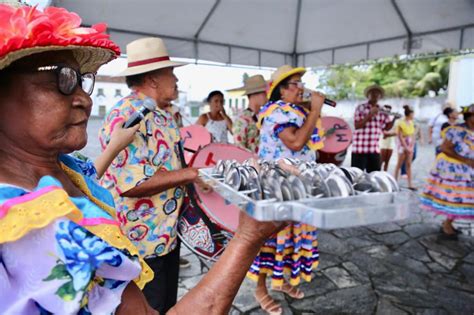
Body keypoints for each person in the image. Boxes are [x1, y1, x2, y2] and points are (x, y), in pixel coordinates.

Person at [0, 4, 284, 314]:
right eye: (63, 80)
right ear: (151, 78)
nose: (84, 98)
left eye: (82, 81)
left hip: (166, 231)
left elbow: (101, 176)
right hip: (145, 237)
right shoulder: (127, 116)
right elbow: (131, 182)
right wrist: (241, 230)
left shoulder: (159, 117)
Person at [250, 65, 324, 315]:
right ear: (281, 91)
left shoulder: (294, 110)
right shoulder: (277, 112)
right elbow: (295, 141)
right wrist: (315, 110)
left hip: (295, 186)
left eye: (301, 83)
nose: (300, 88)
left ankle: (281, 282)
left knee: (291, 237)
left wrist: (310, 111)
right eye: (294, 84)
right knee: (269, 238)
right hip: (276, 188)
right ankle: (260, 289)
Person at [420, 104, 474, 240]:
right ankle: (447, 224)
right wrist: (464, 160)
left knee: (462, 199)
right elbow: (444, 148)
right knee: (455, 198)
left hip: (467, 171)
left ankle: (448, 223)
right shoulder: (457, 130)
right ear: (469, 117)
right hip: (454, 170)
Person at [352, 85, 395, 172]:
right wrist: (370, 115)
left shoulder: (382, 110)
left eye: (377, 93)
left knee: (374, 177)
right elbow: (357, 126)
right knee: (356, 177)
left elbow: (386, 127)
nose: (375, 94)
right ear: (368, 95)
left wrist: (394, 119)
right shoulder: (360, 108)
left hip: (374, 149)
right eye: (372, 92)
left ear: (380, 96)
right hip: (359, 149)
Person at [232, 74, 268, 153]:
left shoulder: (265, 116)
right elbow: (239, 148)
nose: (266, 96)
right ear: (254, 94)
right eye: (264, 93)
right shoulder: (242, 120)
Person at [393, 105, 416, 190]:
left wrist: (411, 146)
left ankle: (410, 183)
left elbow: (413, 135)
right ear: (409, 114)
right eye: (412, 114)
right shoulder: (401, 123)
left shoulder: (411, 123)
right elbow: (400, 136)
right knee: (399, 164)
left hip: (410, 145)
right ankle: (394, 181)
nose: (413, 116)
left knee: (409, 164)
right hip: (402, 145)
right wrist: (406, 147)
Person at [379, 105, 397, 172]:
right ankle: (378, 173)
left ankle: (384, 175)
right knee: (381, 160)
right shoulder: (381, 119)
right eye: (386, 110)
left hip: (391, 142)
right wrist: (390, 134)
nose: (387, 111)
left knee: (387, 161)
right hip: (383, 142)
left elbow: (396, 132)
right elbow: (384, 132)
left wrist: (389, 134)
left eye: (389, 110)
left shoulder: (391, 119)